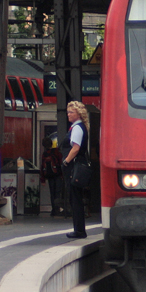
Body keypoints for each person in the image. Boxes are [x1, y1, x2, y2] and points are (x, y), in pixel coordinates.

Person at [60, 101, 90, 239]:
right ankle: (79, 229)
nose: (68, 114)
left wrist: (66, 161)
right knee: (76, 198)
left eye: (71, 112)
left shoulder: (77, 128)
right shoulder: (78, 127)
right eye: (68, 112)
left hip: (74, 166)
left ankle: (79, 230)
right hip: (77, 165)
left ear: (78, 114)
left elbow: (76, 148)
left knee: (75, 199)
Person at [40, 134, 64, 217]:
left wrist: (42, 179)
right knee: (58, 192)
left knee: (52, 193)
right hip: (57, 175)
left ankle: (53, 209)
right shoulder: (56, 152)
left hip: (49, 176)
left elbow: (42, 166)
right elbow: (61, 163)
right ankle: (58, 209)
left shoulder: (44, 154)